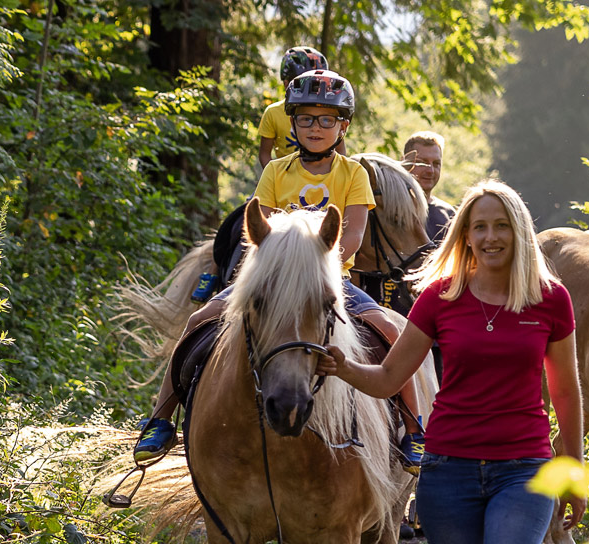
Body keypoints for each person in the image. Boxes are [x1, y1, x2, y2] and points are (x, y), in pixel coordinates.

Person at [317, 181, 587, 544]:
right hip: (448, 473)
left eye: (500, 226)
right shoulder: (438, 298)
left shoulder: (551, 299)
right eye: (478, 227)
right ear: (464, 235)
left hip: (524, 471)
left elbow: (565, 392)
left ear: (518, 231)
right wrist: (340, 367)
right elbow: (390, 378)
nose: (489, 237)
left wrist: (575, 468)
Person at [136, 69, 426, 469]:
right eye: (306, 118)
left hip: (330, 279)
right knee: (199, 320)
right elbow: (262, 232)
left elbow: (354, 236)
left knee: (392, 332)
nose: (316, 128)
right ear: (292, 123)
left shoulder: (353, 174)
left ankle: (413, 429)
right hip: (273, 279)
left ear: (343, 126)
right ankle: (160, 417)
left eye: (327, 119)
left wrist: (315, 261)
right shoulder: (277, 172)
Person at [255, 47, 347, 181]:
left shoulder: (330, 113)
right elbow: (264, 153)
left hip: (324, 177)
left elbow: (341, 150)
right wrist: (275, 178)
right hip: (285, 176)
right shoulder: (273, 113)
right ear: (287, 83)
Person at [403, 131, 458, 246]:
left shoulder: (449, 215)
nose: (430, 170)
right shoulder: (389, 211)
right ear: (404, 163)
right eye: (422, 163)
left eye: (436, 163)